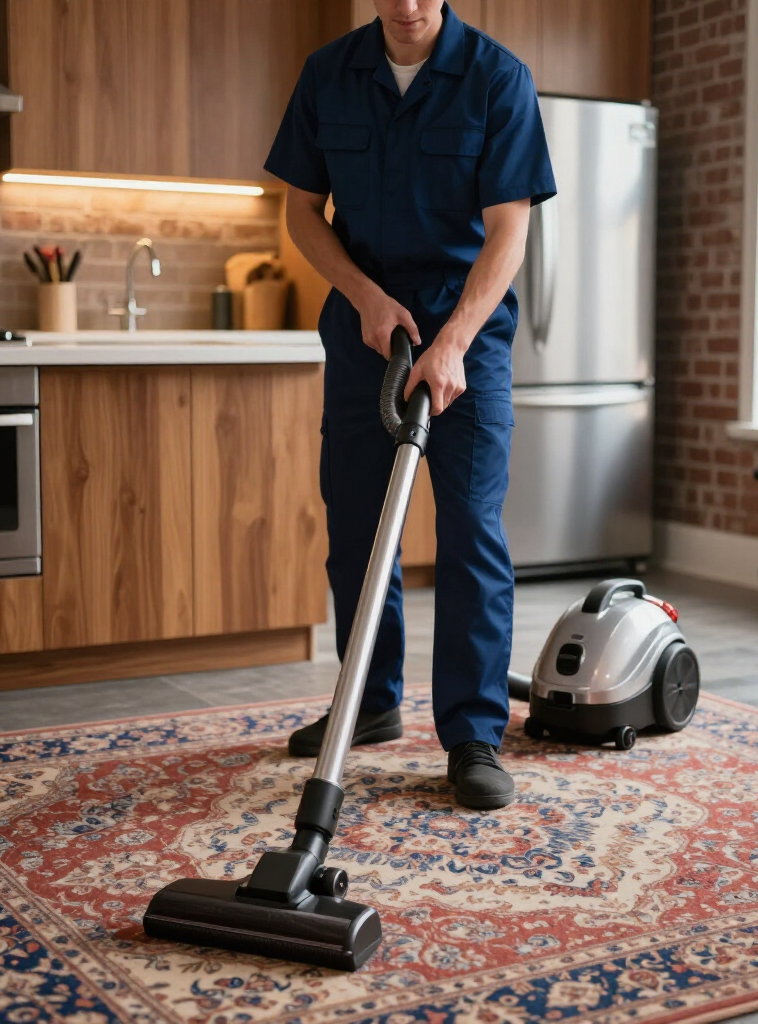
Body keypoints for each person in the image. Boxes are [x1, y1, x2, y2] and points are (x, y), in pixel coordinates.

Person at [265, 0, 555, 809]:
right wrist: (362, 296)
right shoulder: (329, 74)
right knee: (357, 524)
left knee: (468, 530)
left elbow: (507, 230)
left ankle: (471, 734)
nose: (405, 6)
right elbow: (300, 211)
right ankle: (369, 701)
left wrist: (456, 337)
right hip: (367, 333)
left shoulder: (498, 78)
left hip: (467, 335)